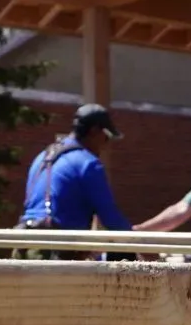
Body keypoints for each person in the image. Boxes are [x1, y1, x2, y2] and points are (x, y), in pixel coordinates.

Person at [18, 104, 133, 252]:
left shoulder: (42, 157)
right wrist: (140, 245)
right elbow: (112, 220)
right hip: (56, 251)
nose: (106, 145)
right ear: (94, 131)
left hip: (23, 244)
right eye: (106, 137)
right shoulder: (88, 163)